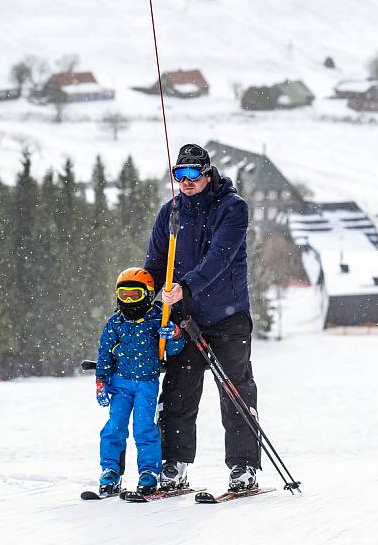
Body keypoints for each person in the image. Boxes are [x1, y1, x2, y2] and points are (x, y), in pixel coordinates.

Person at [144, 143, 260, 492]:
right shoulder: (170, 213)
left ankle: (243, 466)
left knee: (234, 390)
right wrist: (144, 296)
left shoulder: (233, 208)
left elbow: (220, 257)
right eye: (180, 174)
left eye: (194, 173)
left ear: (208, 174)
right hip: (184, 319)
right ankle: (174, 465)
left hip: (228, 316)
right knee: (179, 391)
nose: (187, 181)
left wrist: (185, 286)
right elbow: (155, 262)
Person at [94, 267, 185, 496]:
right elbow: (104, 354)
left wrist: (173, 334)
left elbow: (173, 350)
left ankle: (148, 472)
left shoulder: (158, 317)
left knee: (144, 428)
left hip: (146, 383)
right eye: (123, 295)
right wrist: (101, 382)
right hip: (120, 384)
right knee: (114, 427)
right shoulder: (116, 322)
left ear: (147, 293)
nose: (128, 300)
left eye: (134, 295)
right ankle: (111, 471)